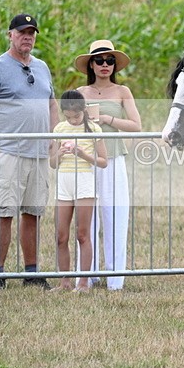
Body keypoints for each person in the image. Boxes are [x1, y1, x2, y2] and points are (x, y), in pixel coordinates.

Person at [0, 13, 59, 291]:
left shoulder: (42, 67)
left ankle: (31, 273)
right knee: (4, 213)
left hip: (38, 154)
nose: (27, 37)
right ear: (10, 35)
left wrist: (54, 139)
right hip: (9, 154)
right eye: (22, 32)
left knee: (33, 213)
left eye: (31, 33)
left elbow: (52, 105)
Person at [75, 40, 141, 290]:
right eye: (100, 60)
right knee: (87, 219)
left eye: (110, 60)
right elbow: (70, 123)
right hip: (87, 159)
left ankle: (115, 279)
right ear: (91, 64)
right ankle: (87, 275)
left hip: (113, 159)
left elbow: (136, 125)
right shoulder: (81, 92)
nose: (105, 65)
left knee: (115, 216)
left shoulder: (122, 91)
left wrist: (107, 119)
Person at [49, 91, 108, 292]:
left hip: (84, 182)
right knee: (61, 236)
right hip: (64, 182)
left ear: (83, 111)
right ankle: (64, 282)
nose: (73, 120)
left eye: (76, 116)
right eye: (68, 117)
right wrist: (58, 153)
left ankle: (83, 282)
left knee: (82, 234)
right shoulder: (59, 129)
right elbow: (52, 163)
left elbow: (103, 161)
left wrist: (83, 155)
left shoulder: (94, 129)